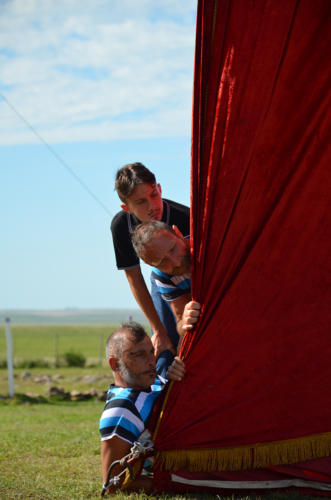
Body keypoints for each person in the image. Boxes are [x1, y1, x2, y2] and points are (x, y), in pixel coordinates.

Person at [110, 162, 190, 370]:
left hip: (195, 276)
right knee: (165, 349)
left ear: (160, 189)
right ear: (126, 208)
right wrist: (159, 331)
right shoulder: (121, 227)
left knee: (192, 335)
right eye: (141, 201)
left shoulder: (186, 217)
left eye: (154, 195)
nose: (153, 206)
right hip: (164, 279)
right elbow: (134, 278)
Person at [99, 321, 185, 494]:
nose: (151, 361)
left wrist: (181, 381)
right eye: (138, 355)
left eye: (151, 352)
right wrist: (175, 484)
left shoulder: (155, 383)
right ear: (115, 364)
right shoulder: (121, 409)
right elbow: (112, 484)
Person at [131, 220, 201, 336]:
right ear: (150, 265)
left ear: (178, 233)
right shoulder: (162, 277)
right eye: (163, 262)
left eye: (173, 249)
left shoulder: (206, 245)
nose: (176, 262)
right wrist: (186, 320)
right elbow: (180, 325)